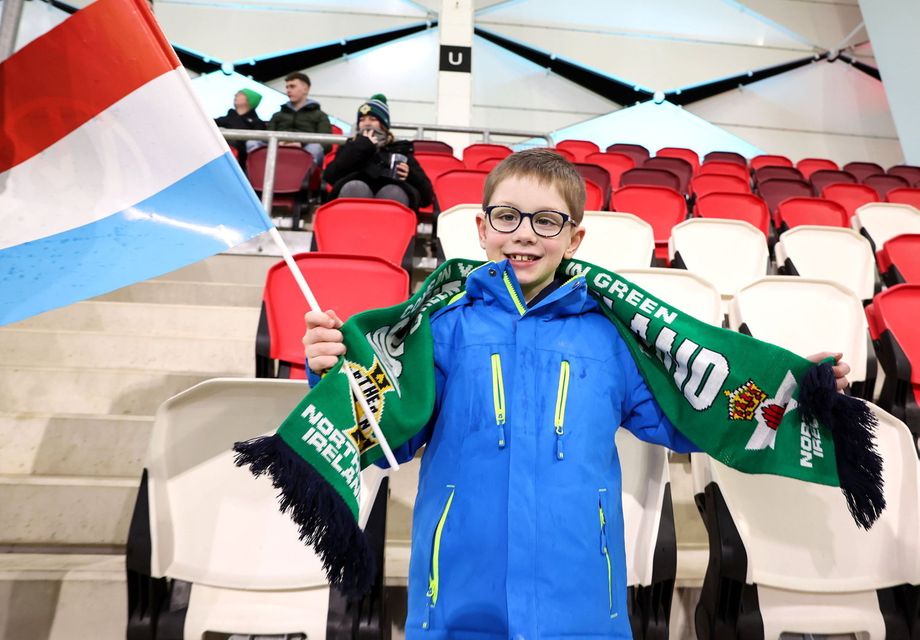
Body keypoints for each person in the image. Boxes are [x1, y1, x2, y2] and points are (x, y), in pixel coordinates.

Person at [302, 150, 850, 638]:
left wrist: (804, 391)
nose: (524, 234)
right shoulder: (444, 329)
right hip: (459, 588)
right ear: (482, 228)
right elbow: (388, 434)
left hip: (582, 593)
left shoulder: (611, 336)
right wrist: (330, 370)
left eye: (546, 221)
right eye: (507, 217)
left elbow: (690, 413)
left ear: (573, 238)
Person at [323, 94, 433, 211]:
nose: (366, 123)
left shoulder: (399, 149)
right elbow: (330, 176)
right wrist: (361, 146)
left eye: (373, 119)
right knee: (356, 187)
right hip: (356, 196)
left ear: (383, 124)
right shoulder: (351, 147)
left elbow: (427, 196)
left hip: (391, 198)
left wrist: (410, 175)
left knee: (393, 191)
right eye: (362, 119)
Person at [267, 72, 332, 165]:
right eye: (287, 87)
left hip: (306, 153)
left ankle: (300, 177)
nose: (288, 90)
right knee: (252, 143)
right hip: (278, 149)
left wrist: (301, 144)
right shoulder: (277, 115)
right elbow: (267, 137)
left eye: (292, 86)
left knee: (315, 147)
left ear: (305, 89)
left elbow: (327, 143)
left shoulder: (320, 116)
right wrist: (278, 143)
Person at [214, 88, 266, 171]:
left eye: (240, 94)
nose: (235, 95)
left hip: (241, 162)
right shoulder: (225, 119)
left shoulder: (257, 123)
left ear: (249, 99)